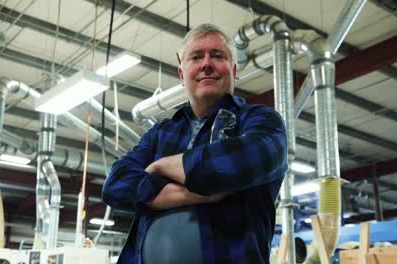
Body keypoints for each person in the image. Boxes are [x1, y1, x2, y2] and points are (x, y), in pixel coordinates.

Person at [102, 23, 287, 264]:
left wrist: (160, 167)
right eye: (196, 57)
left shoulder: (260, 121)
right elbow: (116, 184)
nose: (207, 64)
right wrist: (200, 194)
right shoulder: (161, 132)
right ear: (182, 74)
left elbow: (231, 166)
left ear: (233, 69)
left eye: (217, 56)